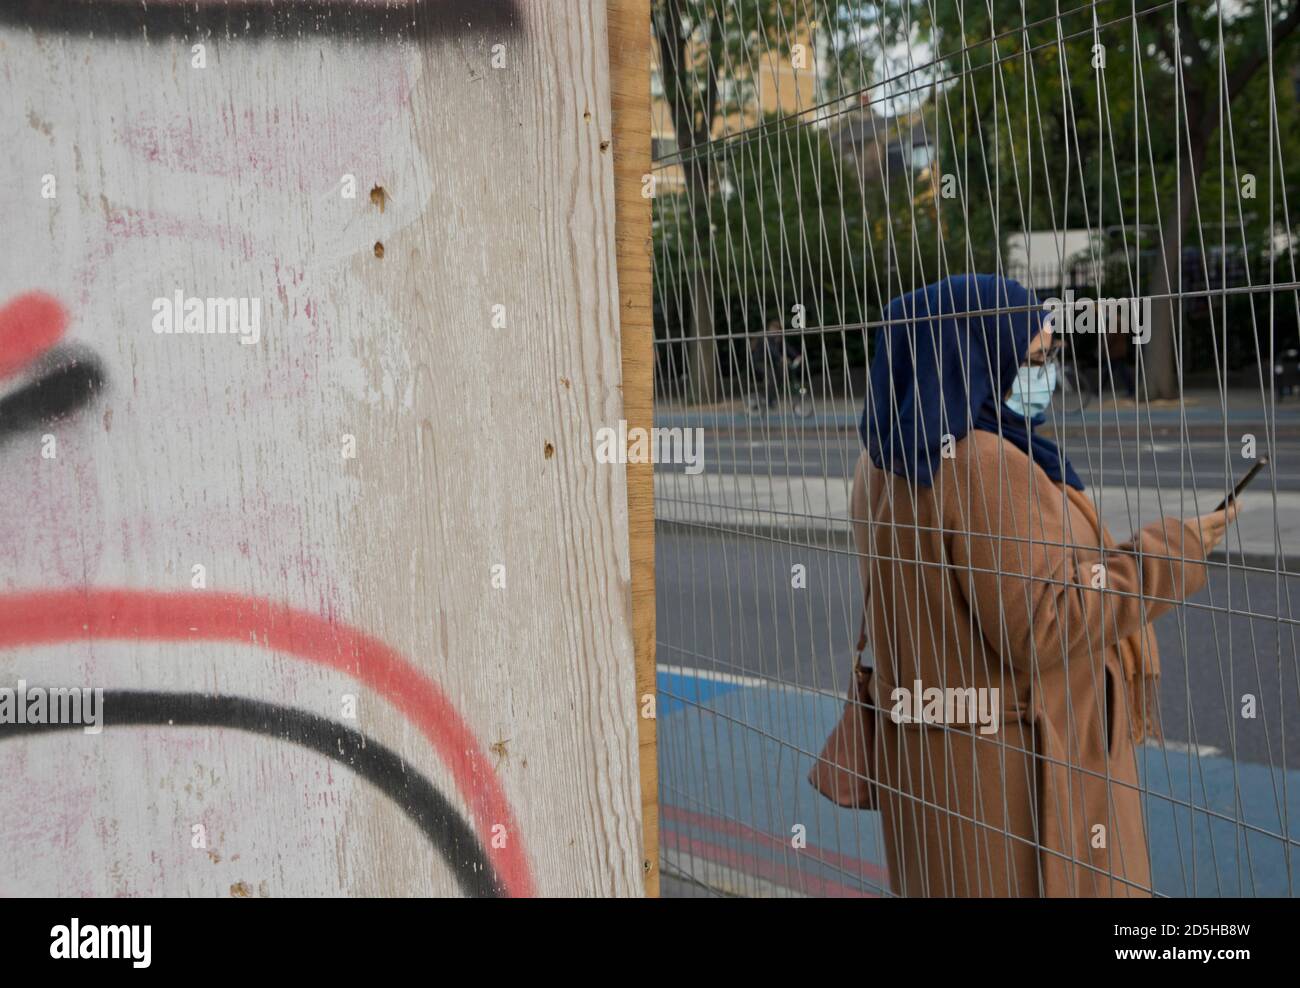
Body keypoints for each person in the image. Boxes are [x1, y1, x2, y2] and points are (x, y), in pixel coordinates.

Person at [846, 274, 1235, 897]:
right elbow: (1045, 624)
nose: (1046, 373)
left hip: (934, 770)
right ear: (976, 354)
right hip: (1018, 780)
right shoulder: (986, 463)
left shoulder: (885, 456)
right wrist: (1173, 551)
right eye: (1034, 357)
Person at [748, 318, 803, 413]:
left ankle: (770, 398)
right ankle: (767, 400)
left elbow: (787, 347)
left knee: (780, 376)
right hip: (760, 362)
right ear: (770, 329)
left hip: (770, 362)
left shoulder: (778, 338)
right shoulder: (765, 337)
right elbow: (772, 350)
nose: (775, 332)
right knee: (771, 378)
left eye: (777, 330)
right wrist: (781, 358)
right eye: (773, 329)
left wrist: (797, 355)